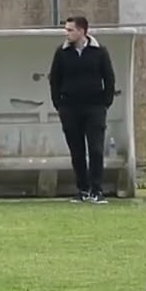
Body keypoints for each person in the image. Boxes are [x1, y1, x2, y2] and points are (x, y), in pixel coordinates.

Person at [48, 15, 116, 204]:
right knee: (76, 151)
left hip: (94, 107)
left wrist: (105, 102)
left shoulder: (99, 52)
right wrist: (59, 103)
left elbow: (109, 78)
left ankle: (97, 189)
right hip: (70, 108)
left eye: (70, 30)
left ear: (82, 31)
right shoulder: (62, 53)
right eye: (66, 29)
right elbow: (54, 80)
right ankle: (82, 189)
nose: (66, 33)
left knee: (95, 149)